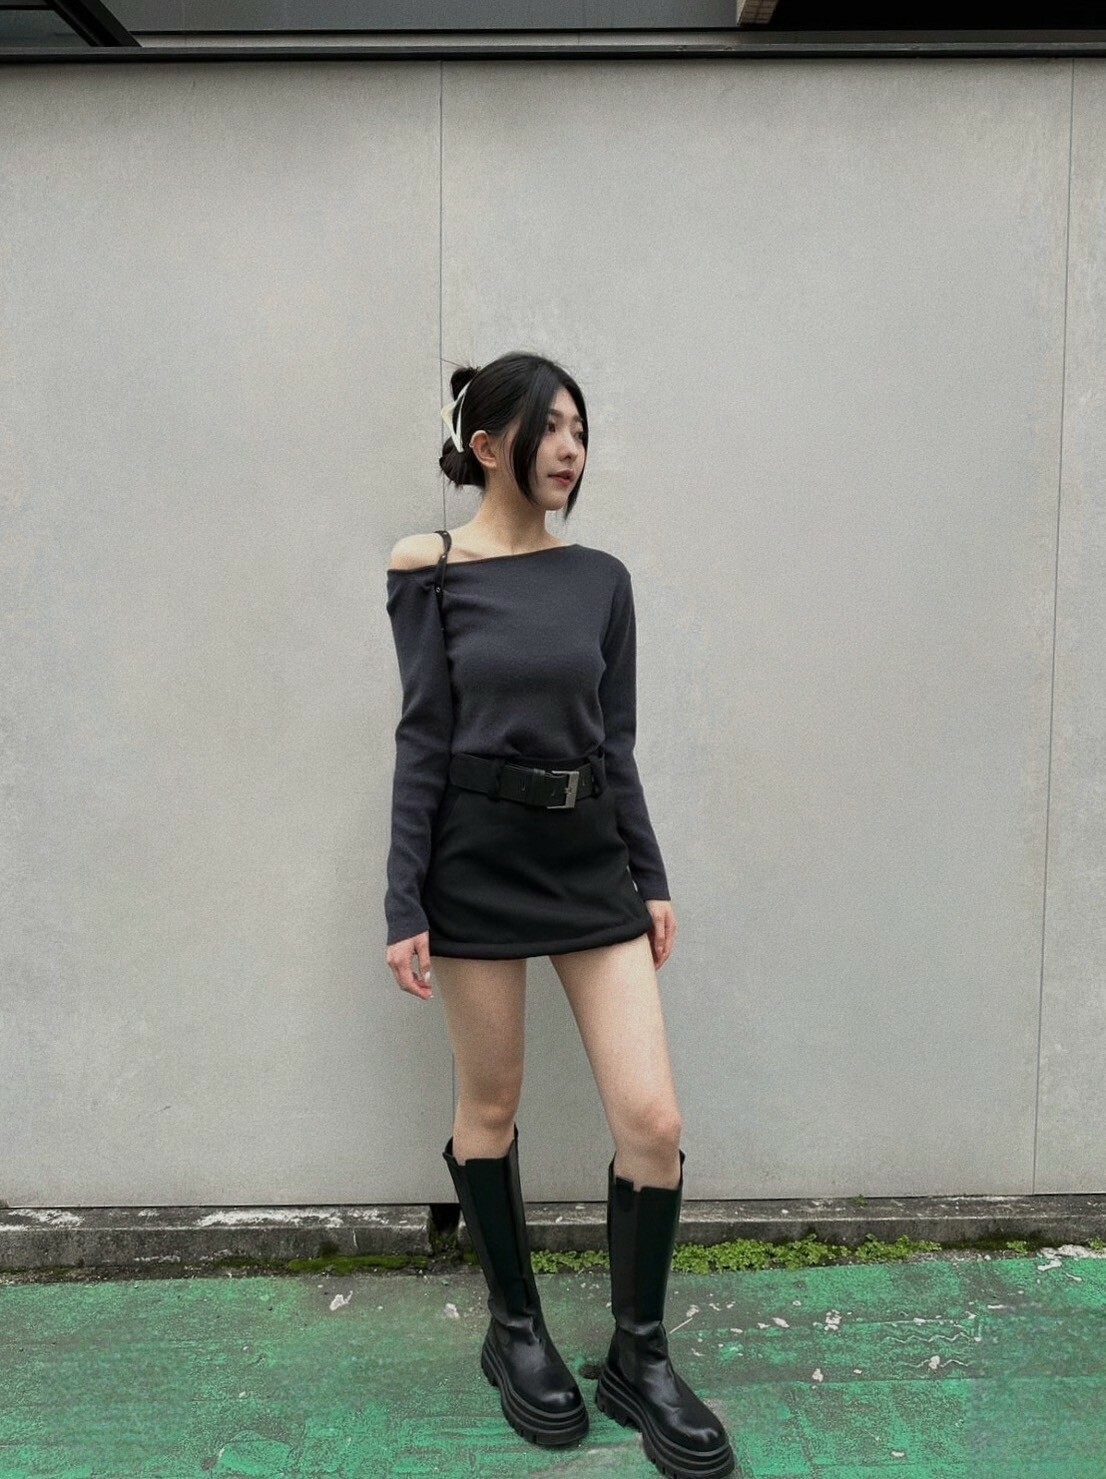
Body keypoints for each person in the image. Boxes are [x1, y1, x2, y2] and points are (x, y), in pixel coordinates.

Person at [383, 351, 734, 1479]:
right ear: (490, 445)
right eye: (551, 427)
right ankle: (516, 1330)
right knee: (490, 1105)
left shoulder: (601, 580)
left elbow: (613, 741)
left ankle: (640, 1356)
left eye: (581, 427)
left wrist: (650, 876)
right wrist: (402, 897)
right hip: (475, 864)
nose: (572, 449)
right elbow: (423, 736)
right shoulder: (430, 568)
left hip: (588, 864)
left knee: (653, 1120)